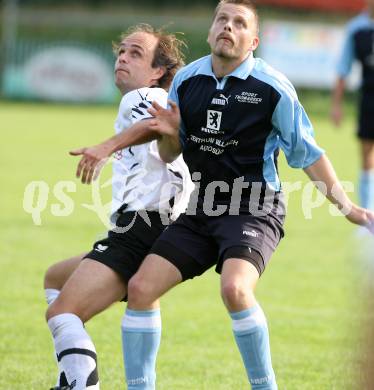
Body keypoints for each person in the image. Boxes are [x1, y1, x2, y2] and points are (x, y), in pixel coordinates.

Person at [113, 1, 374, 389]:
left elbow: (308, 155)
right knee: (140, 288)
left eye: (239, 23)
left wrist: (349, 207)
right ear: (210, 31)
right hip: (202, 207)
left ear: (253, 40)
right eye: (222, 19)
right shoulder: (187, 81)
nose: (228, 27)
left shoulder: (272, 88)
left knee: (234, 288)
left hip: (255, 208)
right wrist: (170, 133)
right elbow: (172, 154)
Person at [44, 24, 192, 390]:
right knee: (55, 277)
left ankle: (80, 383)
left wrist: (107, 146)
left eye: (136, 53)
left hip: (142, 227)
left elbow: (156, 125)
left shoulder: (143, 97)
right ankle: (79, 377)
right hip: (155, 226)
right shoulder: (160, 99)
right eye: (122, 51)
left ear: (158, 70)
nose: (123, 57)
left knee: (62, 312)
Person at [331, 0, 374, 212]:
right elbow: (343, 68)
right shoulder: (356, 29)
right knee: (367, 156)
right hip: (369, 99)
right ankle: (368, 215)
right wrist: (336, 105)